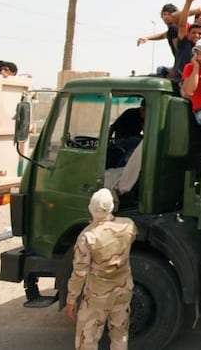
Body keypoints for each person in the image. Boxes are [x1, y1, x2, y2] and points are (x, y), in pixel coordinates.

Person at [65, 188, 137, 350]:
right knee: (120, 335)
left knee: (87, 339)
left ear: (91, 208)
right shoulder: (128, 226)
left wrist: (71, 299)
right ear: (112, 207)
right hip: (123, 290)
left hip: (97, 296)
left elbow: (79, 273)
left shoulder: (87, 237)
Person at [109, 100, 145, 166]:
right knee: (141, 143)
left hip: (132, 139)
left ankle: (125, 164)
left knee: (137, 145)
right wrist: (106, 143)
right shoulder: (130, 113)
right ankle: (124, 164)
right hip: (121, 139)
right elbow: (113, 127)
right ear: (142, 108)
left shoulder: (143, 118)